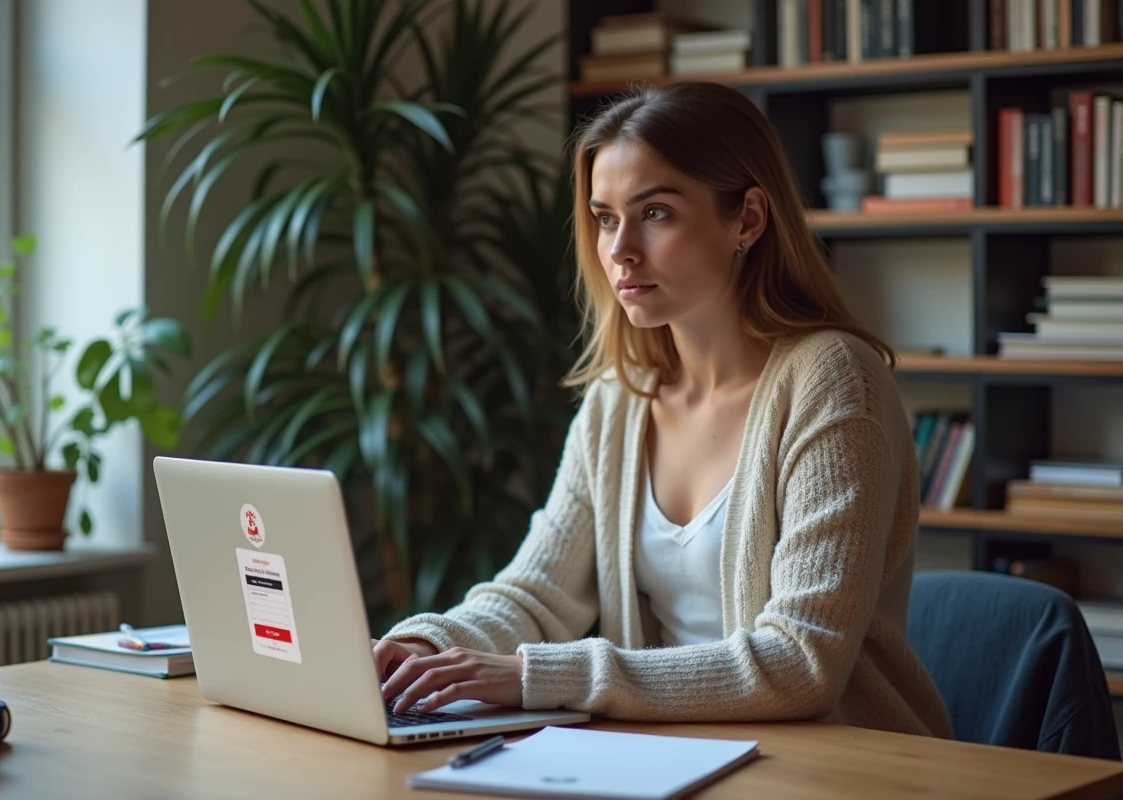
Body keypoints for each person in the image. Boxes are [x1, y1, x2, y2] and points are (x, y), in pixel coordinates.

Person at [372, 81, 954, 739]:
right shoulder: (618, 400)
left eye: (655, 213)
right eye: (605, 218)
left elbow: (801, 662)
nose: (621, 250)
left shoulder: (834, 381)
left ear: (748, 220)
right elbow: (536, 595)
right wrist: (422, 647)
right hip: (676, 760)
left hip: (842, 766)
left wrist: (539, 676)